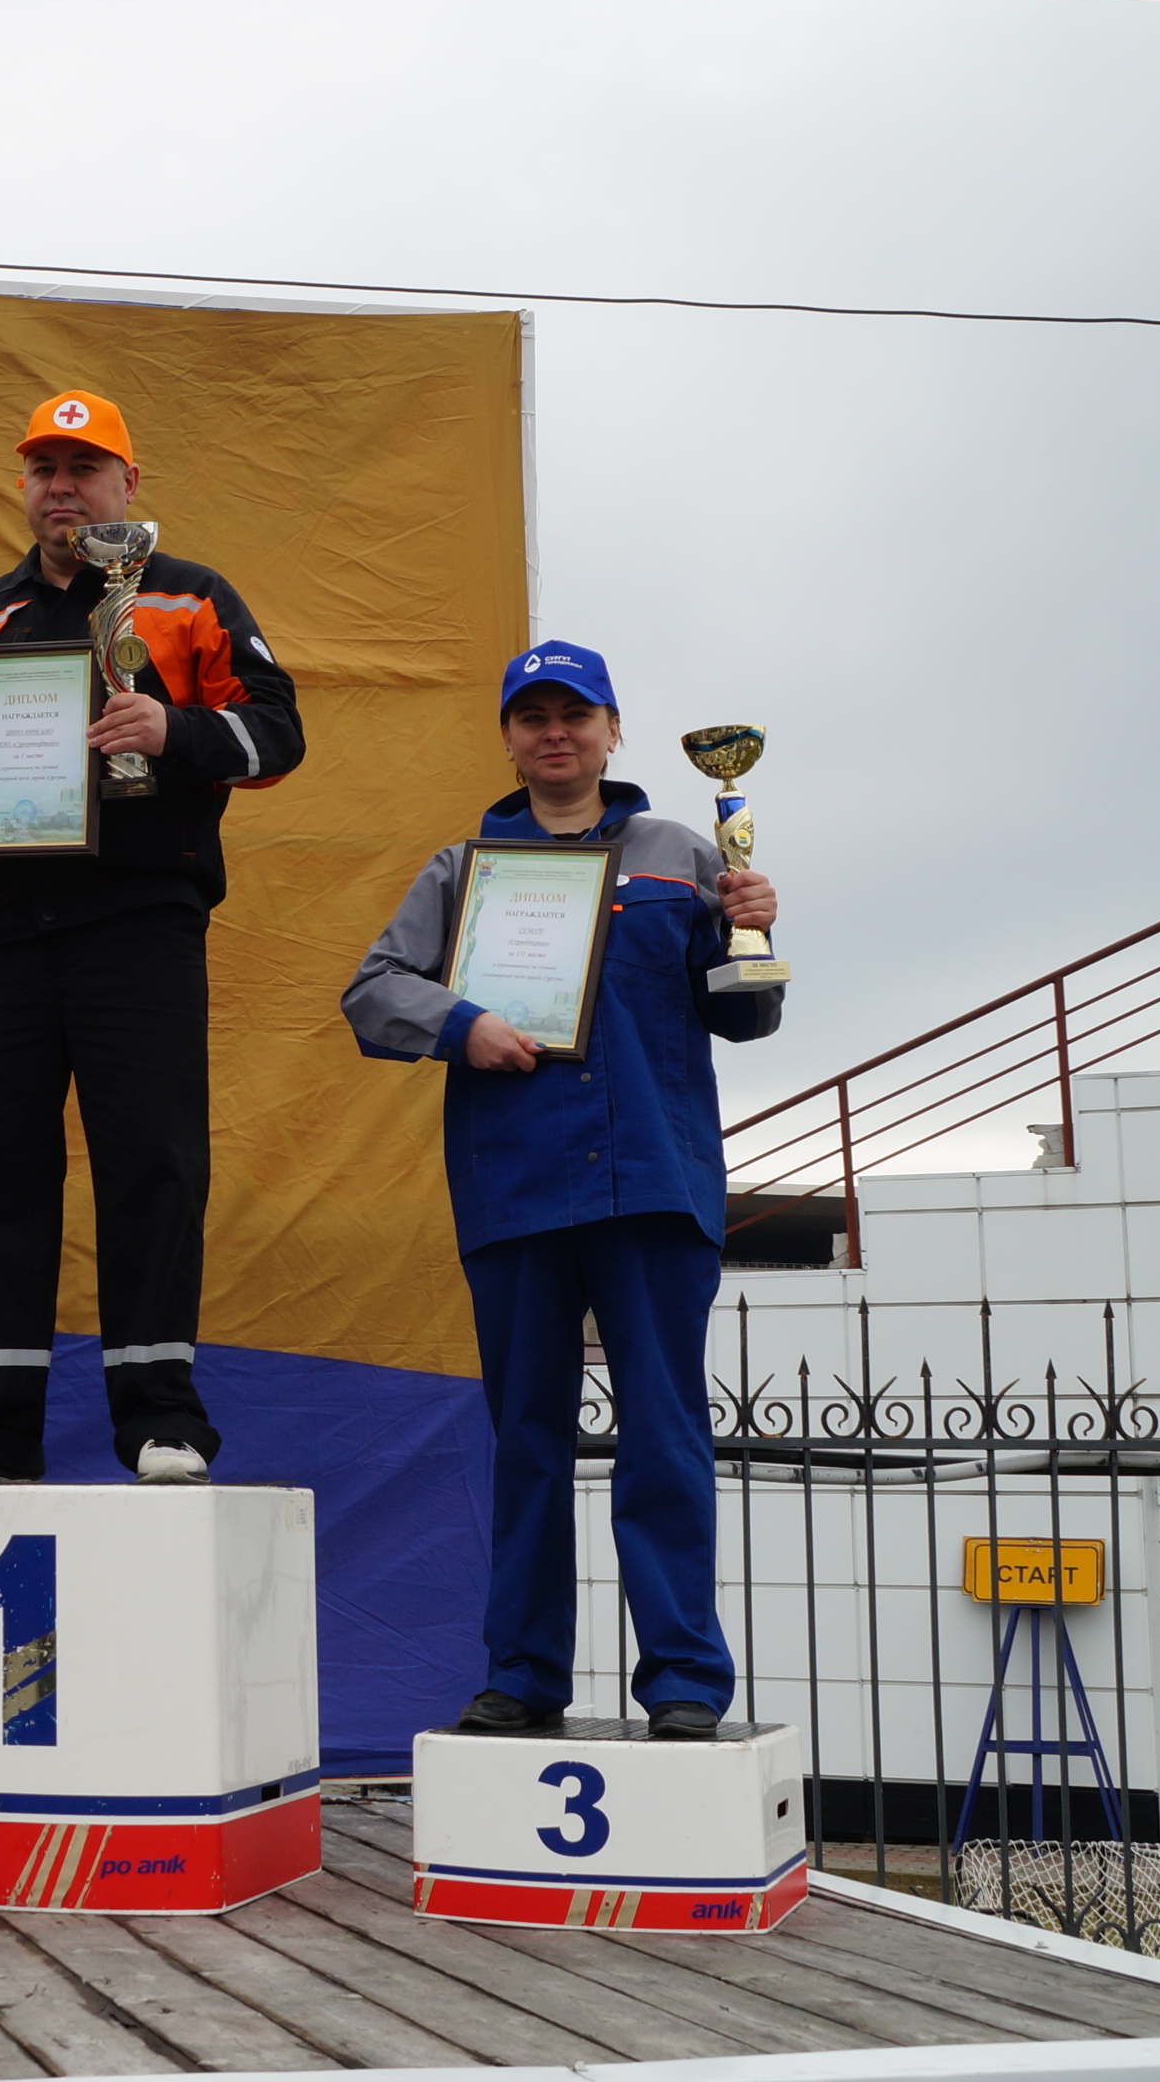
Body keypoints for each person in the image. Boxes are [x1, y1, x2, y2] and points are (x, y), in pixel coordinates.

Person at [336, 647, 784, 1738]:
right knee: (526, 1439)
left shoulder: (682, 854)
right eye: (531, 716)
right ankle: (524, 1672)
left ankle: (682, 1680)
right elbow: (370, 992)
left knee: (665, 1437)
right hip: (517, 1188)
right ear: (506, 737)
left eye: (574, 715)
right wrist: (464, 1025)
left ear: (611, 729)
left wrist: (754, 928)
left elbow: (744, 1016)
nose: (554, 734)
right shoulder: (462, 869)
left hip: (653, 1185)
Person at [0, 391, 302, 1484]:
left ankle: (161, 1420)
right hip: (2, 934)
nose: (61, 487)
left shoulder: (188, 594)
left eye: (84, 467)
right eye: (43, 469)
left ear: (128, 483)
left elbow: (278, 731)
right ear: (23, 485)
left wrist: (175, 729)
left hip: (139, 927)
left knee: (152, 1164)